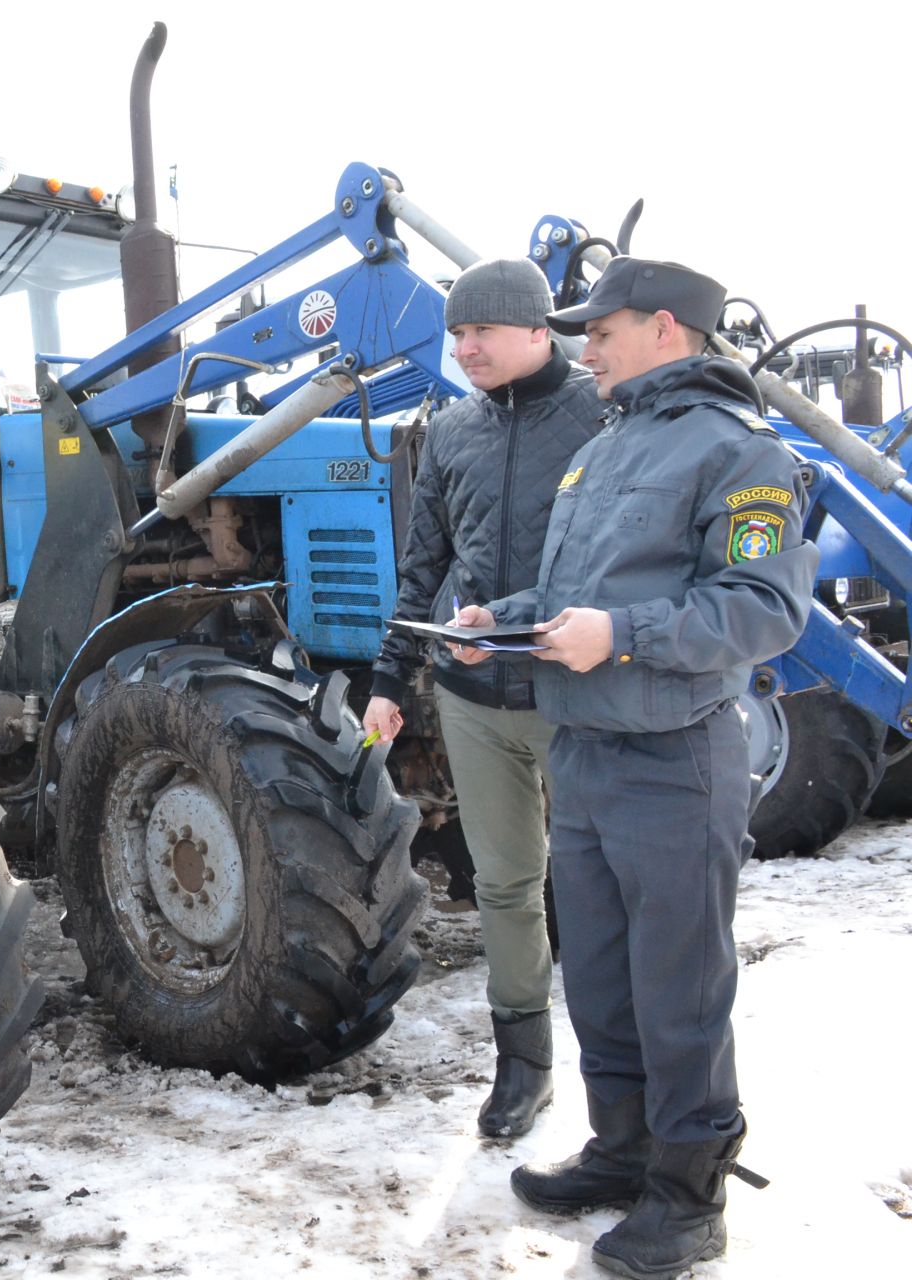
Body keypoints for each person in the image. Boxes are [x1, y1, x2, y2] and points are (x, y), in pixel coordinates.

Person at [448, 257, 815, 1279]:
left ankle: (691, 1196)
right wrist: (503, 623)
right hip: (587, 753)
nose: (584, 349)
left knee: (678, 984)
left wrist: (621, 633)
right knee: (602, 973)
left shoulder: (739, 454)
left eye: (599, 332)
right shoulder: (607, 447)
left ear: (663, 328)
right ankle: (621, 1149)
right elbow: (578, 590)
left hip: (672, 761)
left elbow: (761, 609)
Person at [364, 257, 603, 1139]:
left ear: (539, 330)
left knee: (598, 882)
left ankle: (623, 1081)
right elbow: (421, 563)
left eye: (482, 332)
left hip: (575, 692)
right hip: (472, 694)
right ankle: (523, 1067)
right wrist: (391, 679)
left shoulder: (600, 414)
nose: (464, 348)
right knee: (506, 883)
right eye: (456, 334)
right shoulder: (451, 432)